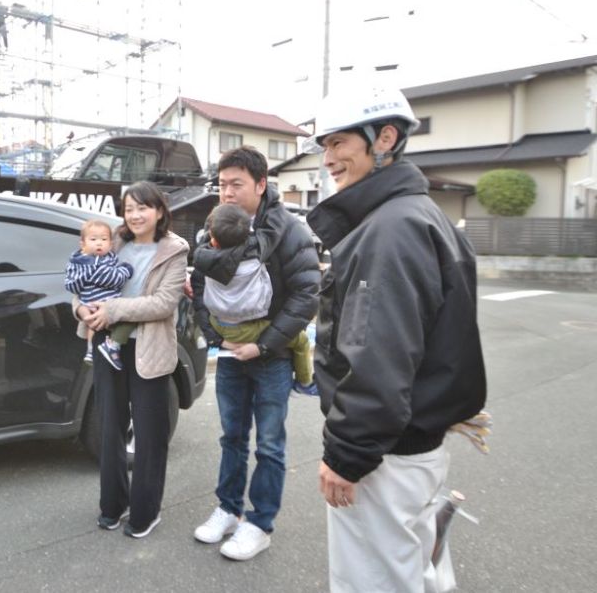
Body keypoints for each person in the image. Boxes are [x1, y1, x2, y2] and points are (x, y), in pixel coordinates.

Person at [305, 85, 487, 593]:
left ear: (384, 138)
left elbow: (377, 355)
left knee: (373, 580)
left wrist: (347, 454)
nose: (329, 158)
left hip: (385, 455)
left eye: (339, 142)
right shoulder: (423, 215)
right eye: (325, 145)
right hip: (415, 444)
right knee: (419, 569)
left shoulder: (389, 228)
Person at [191, 146, 319, 561]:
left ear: (261, 185)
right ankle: (228, 508)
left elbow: (306, 297)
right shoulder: (213, 228)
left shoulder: (290, 232)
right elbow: (198, 290)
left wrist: (263, 344)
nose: (226, 193)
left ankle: (260, 523)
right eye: (222, 184)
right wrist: (217, 338)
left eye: (236, 184)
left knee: (269, 444)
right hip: (231, 354)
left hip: (273, 357)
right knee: (231, 437)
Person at [76, 181, 189, 539]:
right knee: (109, 428)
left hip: (150, 349)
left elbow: (163, 303)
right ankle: (112, 506)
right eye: (129, 209)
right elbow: (82, 285)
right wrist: (81, 309)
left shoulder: (174, 250)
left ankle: (145, 512)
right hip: (110, 345)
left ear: (159, 211)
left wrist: (112, 309)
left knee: (150, 434)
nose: (136, 215)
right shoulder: (114, 243)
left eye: (143, 208)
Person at [192, 203, 317, 394]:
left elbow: (198, 296)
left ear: (213, 240)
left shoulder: (204, 262)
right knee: (301, 341)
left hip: (220, 327)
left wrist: (216, 339)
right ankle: (305, 382)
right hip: (255, 330)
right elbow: (269, 234)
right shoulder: (257, 258)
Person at [64, 219, 135, 367]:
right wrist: (126, 270)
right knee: (125, 321)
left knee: (98, 325)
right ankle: (109, 346)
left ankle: (95, 349)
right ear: (82, 244)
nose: (99, 243)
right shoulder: (80, 263)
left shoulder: (110, 258)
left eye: (104, 239)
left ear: (110, 244)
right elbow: (113, 279)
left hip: (108, 303)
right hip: (95, 302)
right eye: (93, 239)